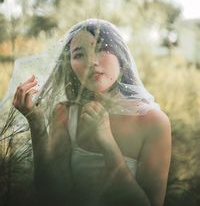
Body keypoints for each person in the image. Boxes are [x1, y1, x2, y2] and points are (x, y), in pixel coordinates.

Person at [12, 18, 171, 206]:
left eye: (101, 48)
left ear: (120, 56)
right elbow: (51, 195)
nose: (92, 62)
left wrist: (107, 142)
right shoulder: (65, 113)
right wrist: (35, 120)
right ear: (70, 64)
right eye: (79, 54)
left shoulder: (154, 122)